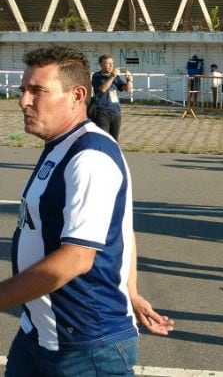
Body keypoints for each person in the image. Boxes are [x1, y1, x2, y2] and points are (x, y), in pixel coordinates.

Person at [2, 46, 172, 376]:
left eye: (37, 91)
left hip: (85, 349)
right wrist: (132, 292)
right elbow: (122, 227)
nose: (24, 101)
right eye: (23, 90)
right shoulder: (60, 145)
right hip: (38, 337)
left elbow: (77, 258)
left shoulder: (89, 156)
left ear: (77, 95)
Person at [91, 54, 132, 140]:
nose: (111, 65)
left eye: (112, 63)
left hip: (115, 111)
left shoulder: (116, 77)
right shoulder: (97, 76)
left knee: (114, 140)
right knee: (104, 138)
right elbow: (102, 89)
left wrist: (128, 80)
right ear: (101, 64)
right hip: (102, 111)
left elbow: (127, 89)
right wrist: (112, 77)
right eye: (108, 63)